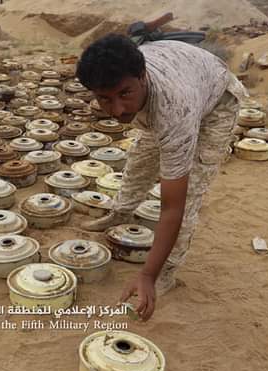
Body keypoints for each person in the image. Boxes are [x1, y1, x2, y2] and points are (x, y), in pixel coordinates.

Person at [76, 32, 248, 321]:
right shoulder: (124, 76)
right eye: (104, 99)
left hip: (216, 102)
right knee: (140, 159)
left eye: (124, 95)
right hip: (184, 77)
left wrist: (146, 274)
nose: (116, 111)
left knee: (191, 192)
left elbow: (172, 208)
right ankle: (120, 213)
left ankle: (166, 271)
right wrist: (125, 98)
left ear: (142, 77)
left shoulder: (174, 112)